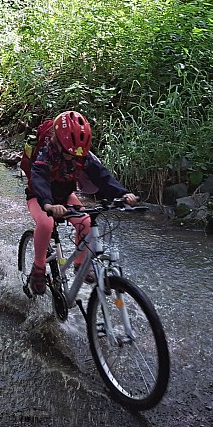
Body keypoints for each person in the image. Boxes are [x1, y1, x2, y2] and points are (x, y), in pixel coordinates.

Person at [25, 110, 138, 296]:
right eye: (69, 153)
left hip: (64, 196)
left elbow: (102, 176)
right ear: (58, 142)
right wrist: (48, 204)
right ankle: (38, 268)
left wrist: (123, 194)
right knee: (46, 223)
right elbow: (39, 179)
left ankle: (81, 265)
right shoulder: (45, 154)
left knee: (85, 222)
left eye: (76, 154)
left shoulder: (81, 155)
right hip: (39, 197)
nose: (73, 157)